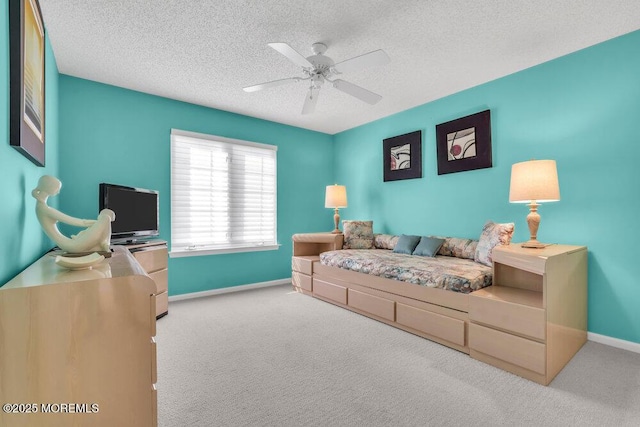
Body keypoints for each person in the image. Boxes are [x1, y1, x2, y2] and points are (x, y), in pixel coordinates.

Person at [32, 175, 115, 253]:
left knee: (104, 218)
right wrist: (97, 223)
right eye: (57, 188)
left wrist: (97, 224)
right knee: (106, 218)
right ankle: (105, 244)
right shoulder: (44, 209)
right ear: (49, 187)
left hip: (72, 244)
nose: (58, 191)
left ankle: (104, 244)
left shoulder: (42, 207)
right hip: (72, 246)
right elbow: (73, 221)